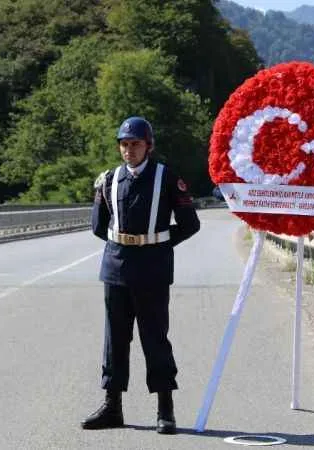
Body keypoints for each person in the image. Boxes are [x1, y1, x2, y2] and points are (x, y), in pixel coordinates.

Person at [83, 116, 200, 434]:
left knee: (155, 338)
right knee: (115, 339)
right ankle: (112, 407)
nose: (129, 150)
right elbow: (98, 226)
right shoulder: (108, 180)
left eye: (135, 144)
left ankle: (165, 410)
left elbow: (190, 224)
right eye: (124, 144)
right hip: (116, 268)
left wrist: (157, 244)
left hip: (152, 270)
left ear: (149, 146)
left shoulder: (167, 178)